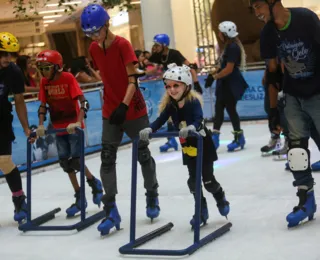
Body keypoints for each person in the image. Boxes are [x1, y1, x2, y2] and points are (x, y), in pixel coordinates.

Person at [80, 4, 160, 236]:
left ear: (107, 24)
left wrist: (124, 105)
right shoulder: (94, 48)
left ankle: (152, 194)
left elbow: (133, 80)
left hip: (132, 109)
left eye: (96, 31)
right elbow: (106, 76)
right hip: (110, 111)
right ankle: (111, 210)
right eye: (90, 34)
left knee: (143, 155)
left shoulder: (123, 45)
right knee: (107, 158)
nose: (94, 37)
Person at [251, 0, 320, 227]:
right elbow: (272, 74)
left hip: (318, 92)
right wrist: (272, 112)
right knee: (297, 150)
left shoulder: (305, 19)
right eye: (254, 9)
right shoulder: (268, 33)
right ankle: (305, 201)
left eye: (259, 6)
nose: (257, 13)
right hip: (292, 95)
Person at [140, 64, 230, 228]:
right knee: (193, 181)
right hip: (188, 147)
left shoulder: (193, 101)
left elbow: (198, 119)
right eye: (168, 86)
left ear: (186, 85)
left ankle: (220, 196)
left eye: (176, 86)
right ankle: (201, 210)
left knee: (208, 181)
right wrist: (150, 128)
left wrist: (191, 127)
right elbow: (160, 120)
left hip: (203, 145)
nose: (172, 90)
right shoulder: (170, 105)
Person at [35, 50, 103, 218]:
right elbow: (43, 105)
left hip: (73, 125)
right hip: (58, 127)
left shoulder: (68, 78)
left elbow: (84, 102)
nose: (44, 72)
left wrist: (78, 121)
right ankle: (79, 197)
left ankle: (94, 183)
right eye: (41, 68)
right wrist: (41, 124)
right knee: (65, 163)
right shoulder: (44, 82)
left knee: (76, 161)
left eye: (47, 68)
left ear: (57, 67)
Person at [147, 34, 204, 153]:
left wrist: (196, 82)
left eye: (157, 45)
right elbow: (146, 64)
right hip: (173, 88)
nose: (155, 48)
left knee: (185, 114)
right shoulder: (158, 56)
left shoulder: (174, 54)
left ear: (164, 45)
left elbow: (191, 67)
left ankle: (192, 138)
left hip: (182, 87)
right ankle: (171, 139)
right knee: (169, 113)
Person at [0, 32, 30, 223]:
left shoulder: (14, 72)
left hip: (2, 120)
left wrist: (26, 128)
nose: (7, 59)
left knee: (4, 161)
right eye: (3, 54)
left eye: (10, 55)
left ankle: (19, 199)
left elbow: (19, 101)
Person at [209, 21, 248, 152]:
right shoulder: (227, 46)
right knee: (219, 109)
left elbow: (229, 69)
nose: (218, 34)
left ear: (225, 34)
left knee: (230, 110)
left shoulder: (233, 48)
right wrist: (213, 73)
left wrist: (215, 77)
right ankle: (215, 138)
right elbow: (222, 65)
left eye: (220, 32)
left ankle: (238, 137)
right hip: (224, 83)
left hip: (230, 83)